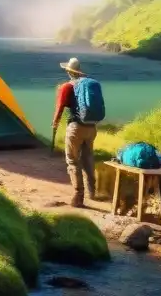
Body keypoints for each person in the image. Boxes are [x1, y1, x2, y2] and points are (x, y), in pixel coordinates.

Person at [52, 57, 105, 208]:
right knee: (88, 157)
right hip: (91, 127)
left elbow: (60, 107)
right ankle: (92, 192)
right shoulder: (88, 85)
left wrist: (55, 123)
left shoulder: (67, 86)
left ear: (69, 71)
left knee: (73, 161)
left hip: (76, 127)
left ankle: (78, 196)